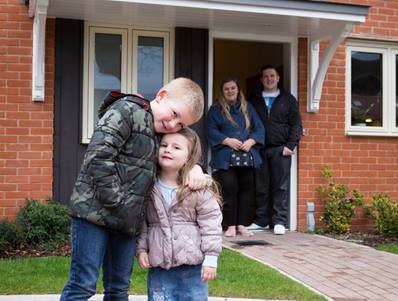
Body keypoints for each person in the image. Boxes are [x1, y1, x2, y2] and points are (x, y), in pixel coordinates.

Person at [60, 78, 206, 301]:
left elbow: (181, 152)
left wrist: (195, 167)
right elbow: (98, 158)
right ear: (162, 96)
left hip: (126, 223)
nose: (173, 125)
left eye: (180, 125)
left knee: (118, 288)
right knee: (83, 285)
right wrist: (118, 203)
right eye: (174, 114)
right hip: (93, 215)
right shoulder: (127, 110)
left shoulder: (161, 135)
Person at [136, 128, 222, 301]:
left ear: (189, 158)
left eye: (176, 147)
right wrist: (141, 249)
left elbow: (211, 224)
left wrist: (211, 258)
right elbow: (141, 222)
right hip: (160, 268)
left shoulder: (197, 188)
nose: (168, 149)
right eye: (164, 145)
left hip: (192, 268)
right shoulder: (148, 187)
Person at [247, 65, 302, 235]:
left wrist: (290, 145)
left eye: (272, 76)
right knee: (261, 186)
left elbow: (296, 124)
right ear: (262, 79)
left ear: (278, 78)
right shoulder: (253, 99)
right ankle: (261, 221)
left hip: (281, 149)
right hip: (260, 149)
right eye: (265, 76)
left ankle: (279, 221)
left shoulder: (288, 99)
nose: (269, 79)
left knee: (280, 186)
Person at [207, 78, 265, 237]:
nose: (230, 91)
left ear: (238, 90)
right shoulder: (215, 110)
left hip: (247, 156)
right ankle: (230, 225)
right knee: (229, 191)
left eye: (233, 88)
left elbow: (259, 129)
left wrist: (251, 141)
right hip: (225, 158)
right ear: (222, 91)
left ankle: (241, 224)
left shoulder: (248, 108)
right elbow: (211, 130)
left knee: (245, 191)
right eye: (227, 89)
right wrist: (227, 141)